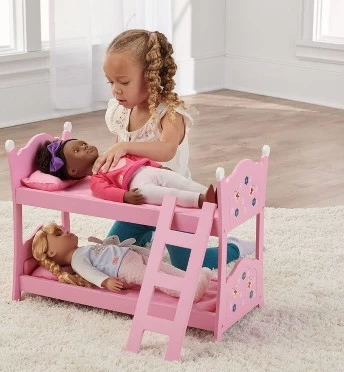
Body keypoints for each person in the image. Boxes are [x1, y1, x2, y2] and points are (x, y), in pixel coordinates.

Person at [91, 29, 255, 270]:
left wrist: (124, 146)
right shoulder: (120, 112)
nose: (115, 89)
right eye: (110, 82)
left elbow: (166, 149)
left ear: (150, 77)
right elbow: (122, 160)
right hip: (139, 201)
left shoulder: (169, 114)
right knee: (109, 253)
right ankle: (147, 232)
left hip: (177, 205)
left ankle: (234, 246)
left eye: (123, 82)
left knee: (187, 264)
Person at [32, 223, 212, 302]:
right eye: (58, 234)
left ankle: (192, 278)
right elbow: (88, 272)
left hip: (128, 255)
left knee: (162, 267)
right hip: (121, 267)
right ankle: (187, 291)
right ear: (52, 252)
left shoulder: (82, 250)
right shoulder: (77, 260)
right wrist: (105, 281)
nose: (65, 231)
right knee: (154, 276)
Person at [35, 138, 217, 208]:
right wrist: (125, 196)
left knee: (177, 179)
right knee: (157, 194)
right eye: (77, 151)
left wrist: (157, 166)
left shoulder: (112, 153)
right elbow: (106, 191)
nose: (85, 146)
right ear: (73, 170)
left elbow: (134, 156)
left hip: (148, 169)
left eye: (83, 144)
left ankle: (209, 192)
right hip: (137, 184)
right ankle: (199, 200)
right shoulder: (97, 178)